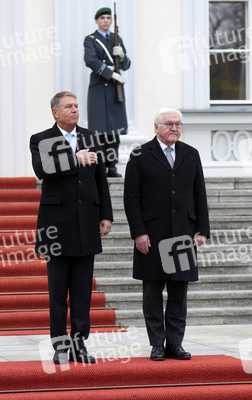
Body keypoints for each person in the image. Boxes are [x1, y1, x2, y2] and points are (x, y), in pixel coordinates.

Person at [30, 91, 113, 365]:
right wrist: (75, 159)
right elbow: (43, 170)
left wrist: (106, 215)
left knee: (81, 293)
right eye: (69, 106)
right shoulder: (41, 139)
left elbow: (101, 180)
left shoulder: (92, 138)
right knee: (57, 293)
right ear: (55, 111)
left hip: (86, 224)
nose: (75, 110)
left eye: (77, 106)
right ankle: (60, 346)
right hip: (56, 227)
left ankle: (80, 344)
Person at [124, 108, 210, 361]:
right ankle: (157, 344)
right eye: (169, 124)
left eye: (178, 124)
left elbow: (199, 194)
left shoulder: (190, 154)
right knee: (152, 292)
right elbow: (131, 198)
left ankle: (175, 343)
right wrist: (138, 232)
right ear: (156, 127)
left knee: (178, 293)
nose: (174, 128)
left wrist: (202, 229)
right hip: (152, 235)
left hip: (182, 234)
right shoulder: (140, 154)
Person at [84, 7, 131, 178]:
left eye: (108, 18)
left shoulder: (116, 39)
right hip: (99, 87)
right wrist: (111, 74)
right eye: (102, 18)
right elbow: (90, 60)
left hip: (114, 90)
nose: (105, 20)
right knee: (98, 132)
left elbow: (126, 65)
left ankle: (112, 165)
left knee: (114, 131)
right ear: (96, 21)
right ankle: (100, 166)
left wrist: (123, 56)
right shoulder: (91, 40)